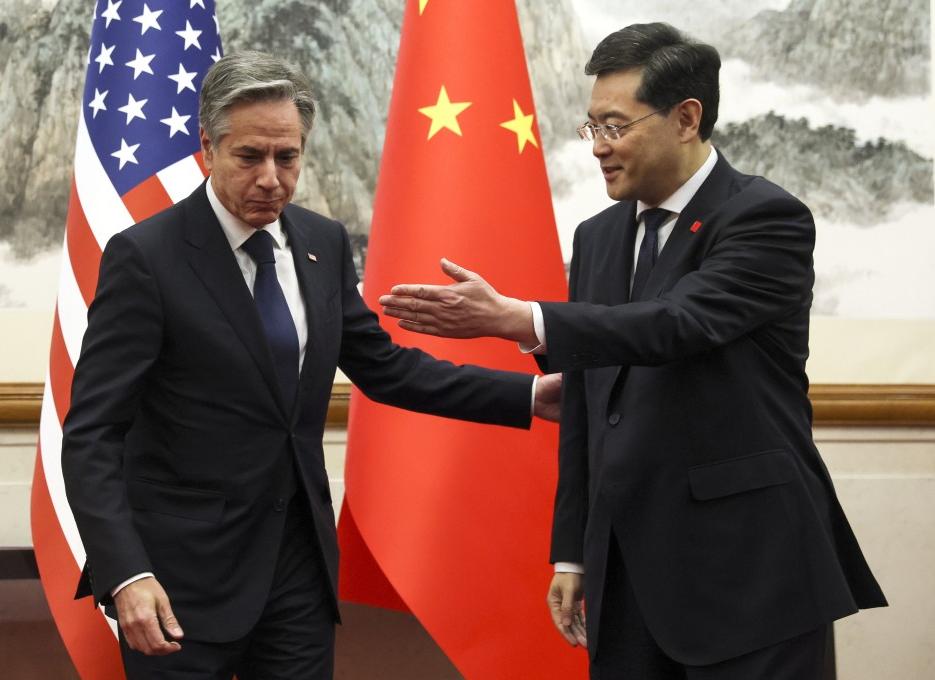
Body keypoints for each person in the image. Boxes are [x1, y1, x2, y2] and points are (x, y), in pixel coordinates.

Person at [380, 22, 886, 680]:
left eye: (614, 126)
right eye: (591, 127)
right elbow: (591, 407)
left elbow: (677, 323)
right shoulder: (598, 237)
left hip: (749, 576)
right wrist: (572, 553)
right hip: (626, 581)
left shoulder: (764, 218)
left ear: (685, 118)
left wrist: (522, 318)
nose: (597, 148)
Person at [61, 50, 560, 680]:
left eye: (287, 156)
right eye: (250, 157)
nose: (272, 177)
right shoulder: (146, 258)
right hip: (179, 578)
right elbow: (91, 436)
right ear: (208, 148)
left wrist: (531, 395)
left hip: (297, 567)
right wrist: (126, 572)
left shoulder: (321, 243)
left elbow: (388, 369)